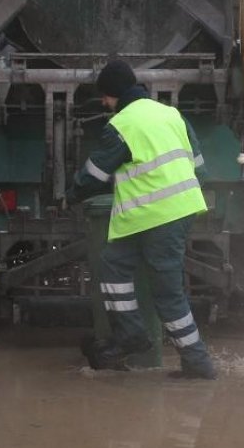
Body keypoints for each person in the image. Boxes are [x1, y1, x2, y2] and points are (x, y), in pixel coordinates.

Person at [67, 59, 217, 379]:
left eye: (105, 98)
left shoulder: (123, 125)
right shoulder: (170, 114)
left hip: (157, 217)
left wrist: (71, 195)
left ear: (115, 95)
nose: (105, 104)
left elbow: (94, 174)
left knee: (167, 292)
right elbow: (200, 167)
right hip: (162, 214)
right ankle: (132, 335)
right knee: (112, 263)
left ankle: (198, 362)